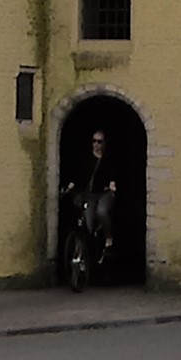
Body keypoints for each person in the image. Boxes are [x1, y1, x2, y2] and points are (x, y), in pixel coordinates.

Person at [56, 122, 116, 284]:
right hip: (88, 195)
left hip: (104, 194)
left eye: (100, 141)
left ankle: (109, 239)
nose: (96, 144)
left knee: (101, 212)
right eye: (94, 141)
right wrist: (69, 187)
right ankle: (85, 255)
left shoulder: (109, 160)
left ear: (105, 144)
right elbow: (77, 176)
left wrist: (112, 185)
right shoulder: (85, 158)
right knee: (87, 226)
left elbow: (114, 176)